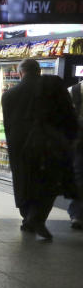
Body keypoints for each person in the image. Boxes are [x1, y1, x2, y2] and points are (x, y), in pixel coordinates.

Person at [2, 59, 78, 240]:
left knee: (24, 182)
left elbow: (8, 125)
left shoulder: (8, 95)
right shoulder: (53, 84)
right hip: (50, 144)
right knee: (49, 182)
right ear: (38, 70)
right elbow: (69, 113)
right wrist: (72, 139)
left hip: (20, 146)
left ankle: (28, 218)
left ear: (20, 73)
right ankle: (35, 218)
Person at [69, 80, 83, 230]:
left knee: (79, 177)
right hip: (79, 143)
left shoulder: (73, 90)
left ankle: (77, 214)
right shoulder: (74, 91)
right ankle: (77, 214)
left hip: (78, 142)